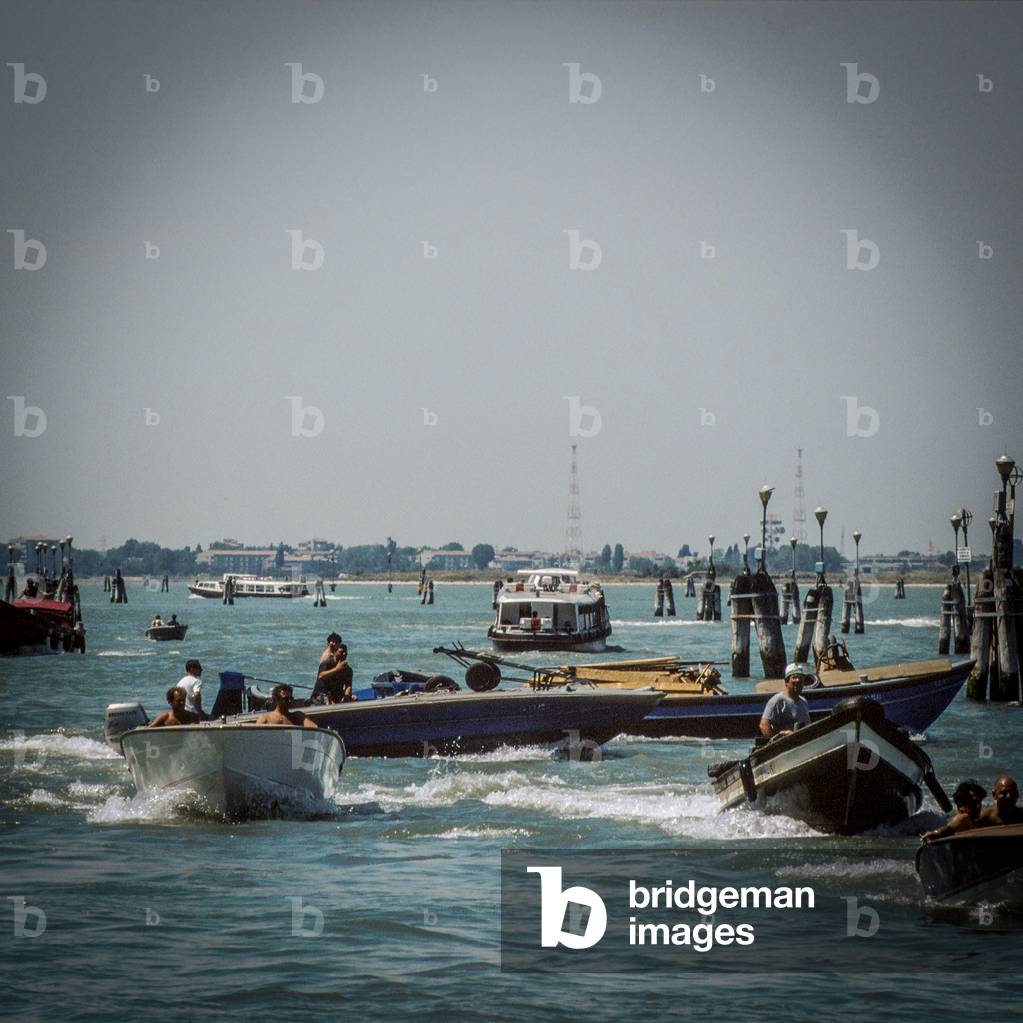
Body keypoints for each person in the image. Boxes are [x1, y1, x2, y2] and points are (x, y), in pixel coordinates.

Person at [759, 663, 813, 738]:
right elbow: (763, 725)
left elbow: (808, 726)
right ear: (786, 682)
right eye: (794, 677)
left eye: (800, 678)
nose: (798, 680)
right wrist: (774, 743)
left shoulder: (804, 702)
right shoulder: (777, 701)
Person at [921, 780, 987, 841]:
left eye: (980, 802)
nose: (978, 807)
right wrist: (935, 833)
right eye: (973, 803)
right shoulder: (964, 817)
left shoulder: (973, 819)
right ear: (960, 805)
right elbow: (949, 829)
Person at [312, 636, 355, 704]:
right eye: (341, 652)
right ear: (335, 652)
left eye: (345, 652)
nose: (344, 654)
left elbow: (348, 686)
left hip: (336, 695)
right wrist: (336, 669)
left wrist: (347, 696)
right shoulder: (327, 663)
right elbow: (321, 676)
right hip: (321, 694)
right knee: (327, 701)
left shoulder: (348, 669)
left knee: (352, 699)